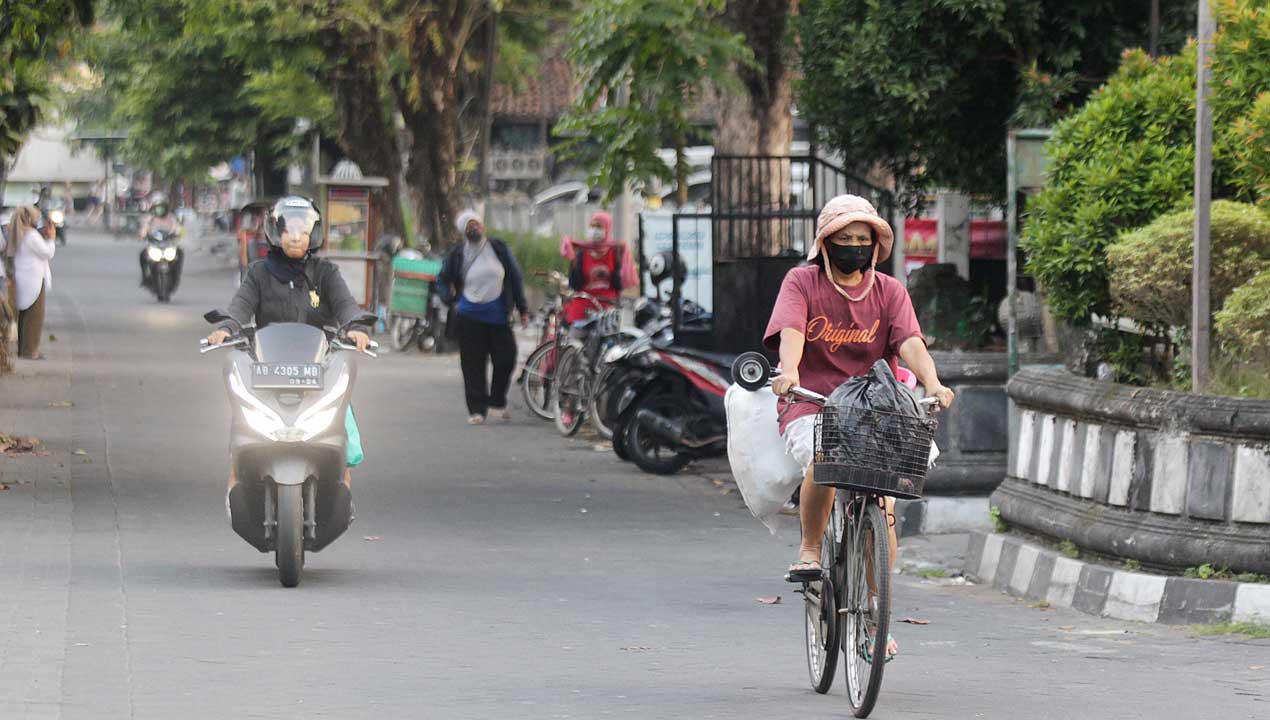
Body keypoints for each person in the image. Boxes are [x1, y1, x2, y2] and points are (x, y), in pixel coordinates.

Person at [763, 194, 956, 661]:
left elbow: (909, 342)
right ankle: (811, 549)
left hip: (878, 409)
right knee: (825, 458)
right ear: (825, 244)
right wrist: (789, 371)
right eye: (844, 239)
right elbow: (791, 332)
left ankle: (875, 609)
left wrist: (932, 381)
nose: (853, 247)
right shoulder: (801, 282)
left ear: (875, 246)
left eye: (862, 240)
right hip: (816, 404)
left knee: (885, 501)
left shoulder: (890, 291)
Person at [205, 196, 371, 490]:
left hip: (319, 369)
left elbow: (346, 305)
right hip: (266, 370)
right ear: (276, 232)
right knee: (240, 431)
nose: (296, 236)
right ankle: (235, 489)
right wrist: (227, 328)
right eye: (289, 229)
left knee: (346, 437)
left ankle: (343, 493)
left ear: (313, 235)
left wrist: (355, 328)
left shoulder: (326, 273)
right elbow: (240, 306)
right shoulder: (258, 273)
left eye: (303, 230)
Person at [437, 209, 529, 425]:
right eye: (468, 226)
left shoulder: (498, 248)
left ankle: (497, 402)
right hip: (469, 316)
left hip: (498, 315)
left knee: (506, 358)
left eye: (475, 224)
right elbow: (442, 279)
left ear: (483, 225)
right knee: (472, 364)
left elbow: (515, 278)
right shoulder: (457, 254)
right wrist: (450, 299)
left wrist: (523, 308)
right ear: (463, 232)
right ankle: (477, 410)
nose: (474, 228)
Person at [5, 207, 56, 360]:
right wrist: (52, 238)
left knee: (24, 316)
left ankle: (23, 349)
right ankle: (30, 350)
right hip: (34, 279)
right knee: (35, 317)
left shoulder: (16, 233)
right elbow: (48, 252)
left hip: (22, 278)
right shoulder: (31, 235)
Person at [562, 211, 625, 324]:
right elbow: (574, 285)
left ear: (607, 229)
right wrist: (574, 262)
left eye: (599, 226)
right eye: (592, 226)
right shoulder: (582, 253)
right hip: (584, 306)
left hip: (607, 308)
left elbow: (619, 285)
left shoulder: (614, 253)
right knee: (577, 337)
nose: (595, 230)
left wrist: (620, 262)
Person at [138, 192, 184, 287]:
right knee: (143, 255)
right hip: (155, 244)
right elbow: (144, 228)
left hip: (168, 244)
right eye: (158, 207)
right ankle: (145, 276)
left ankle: (177, 273)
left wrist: (178, 233)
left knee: (180, 253)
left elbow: (177, 227)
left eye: (162, 207)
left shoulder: (171, 217)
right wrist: (143, 234)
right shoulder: (150, 218)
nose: (160, 209)